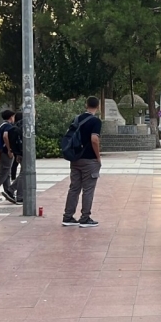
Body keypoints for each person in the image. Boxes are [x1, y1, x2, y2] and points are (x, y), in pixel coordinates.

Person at [62, 97, 103, 227]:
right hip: (89, 160)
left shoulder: (77, 119)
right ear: (98, 106)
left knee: (74, 188)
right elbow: (94, 139)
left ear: (86, 105)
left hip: (75, 158)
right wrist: (98, 157)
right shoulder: (96, 121)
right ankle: (85, 218)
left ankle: (68, 217)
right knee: (88, 190)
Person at [0, 110, 17, 203]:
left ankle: (8, 191)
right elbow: (5, 136)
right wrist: (9, 149)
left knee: (7, 173)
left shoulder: (1, 125)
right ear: (11, 116)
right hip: (6, 152)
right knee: (4, 172)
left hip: (1, 151)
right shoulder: (8, 126)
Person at [7, 116, 25, 202]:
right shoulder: (23, 125)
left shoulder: (18, 125)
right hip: (23, 152)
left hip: (20, 152)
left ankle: (11, 189)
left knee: (24, 173)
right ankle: (20, 196)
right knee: (24, 174)